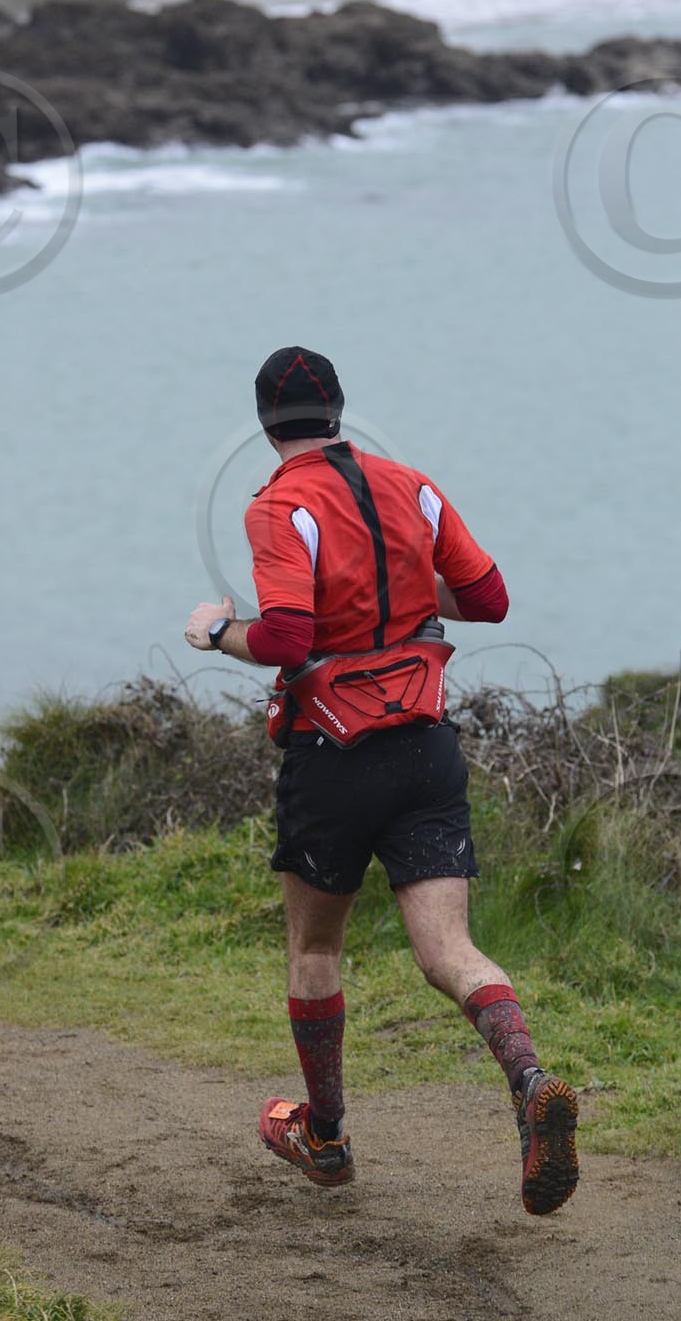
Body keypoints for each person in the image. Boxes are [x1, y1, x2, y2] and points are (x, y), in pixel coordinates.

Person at [185, 346, 578, 1214]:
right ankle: (529, 1079)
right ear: (338, 411)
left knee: (316, 950)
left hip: (334, 760)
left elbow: (286, 639)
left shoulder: (277, 506)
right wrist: (402, 586)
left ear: (266, 424)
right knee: (450, 953)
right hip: (426, 750)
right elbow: (489, 599)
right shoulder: (414, 486)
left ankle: (325, 1138)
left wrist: (216, 633)